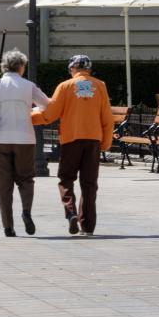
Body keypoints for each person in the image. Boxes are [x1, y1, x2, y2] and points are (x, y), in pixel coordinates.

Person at [31, 54, 113, 235]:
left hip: (71, 140)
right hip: (93, 140)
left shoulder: (65, 86)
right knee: (89, 183)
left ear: (72, 69)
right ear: (89, 70)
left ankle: (71, 212)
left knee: (66, 179)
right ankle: (88, 227)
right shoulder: (100, 86)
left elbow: (51, 113)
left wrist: (29, 118)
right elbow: (107, 117)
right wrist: (105, 143)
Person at [0, 50, 50, 236]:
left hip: (1, 139)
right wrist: (30, 110)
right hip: (25, 139)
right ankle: (26, 212)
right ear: (21, 66)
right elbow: (46, 105)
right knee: (26, 179)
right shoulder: (28, 85)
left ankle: (8, 226)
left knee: (4, 183)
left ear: (4, 67)